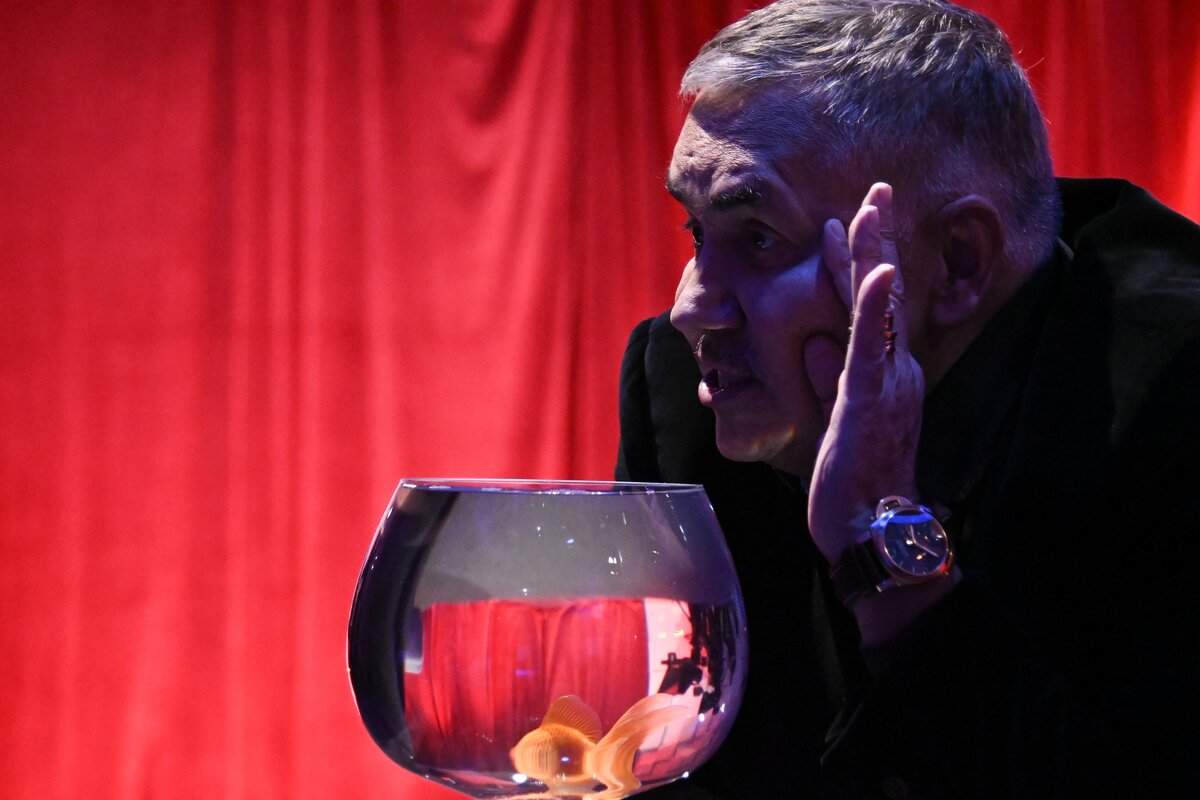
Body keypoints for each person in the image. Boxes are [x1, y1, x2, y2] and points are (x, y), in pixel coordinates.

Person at [615, 1, 1200, 797]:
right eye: (695, 231)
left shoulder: (1179, 399)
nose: (692, 309)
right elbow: (663, 759)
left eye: (757, 237)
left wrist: (880, 545)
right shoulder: (683, 397)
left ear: (958, 262)